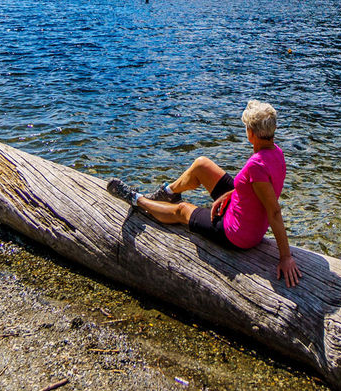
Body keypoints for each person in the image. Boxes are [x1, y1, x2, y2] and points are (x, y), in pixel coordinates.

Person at [107, 99, 302, 288]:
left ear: (251, 133)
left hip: (238, 233)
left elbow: (274, 211)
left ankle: (136, 199)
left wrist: (285, 257)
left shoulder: (256, 164)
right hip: (243, 209)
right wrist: (230, 195)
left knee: (182, 210)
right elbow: (255, 187)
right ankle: (167, 192)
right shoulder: (275, 152)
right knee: (202, 165)